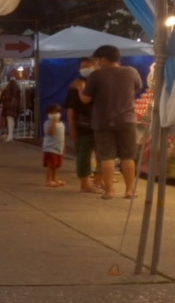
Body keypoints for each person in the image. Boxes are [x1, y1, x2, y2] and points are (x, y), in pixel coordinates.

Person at [80, 44, 143, 200]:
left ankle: (110, 191)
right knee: (128, 156)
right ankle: (129, 190)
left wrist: (79, 89)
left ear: (104, 58)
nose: (98, 62)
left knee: (106, 157)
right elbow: (137, 88)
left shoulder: (96, 76)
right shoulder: (131, 72)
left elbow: (86, 99)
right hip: (127, 120)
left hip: (103, 121)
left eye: (99, 59)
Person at [66, 57, 100, 193]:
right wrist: (72, 128)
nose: (84, 69)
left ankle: (98, 181)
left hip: (101, 125)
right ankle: (85, 183)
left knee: (103, 156)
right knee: (83, 155)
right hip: (83, 126)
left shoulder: (101, 84)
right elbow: (70, 108)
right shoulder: (76, 85)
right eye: (82, 67)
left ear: (96, 66)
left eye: (88, 66)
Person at [43, 104, 66, 188]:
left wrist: (63, 147)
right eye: (52, 113)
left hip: (59, 148)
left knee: (56, 165)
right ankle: (48, 180)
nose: (55, 114)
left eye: (57, 112)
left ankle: (54, 179)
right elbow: (50, 132)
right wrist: (53, 123)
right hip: (50, 148)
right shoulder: (47, 123)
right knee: (50, 165)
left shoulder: (61, 124)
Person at [0, 76, 21, 141]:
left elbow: (4, 97)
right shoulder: (16, 88)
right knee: (12, 120)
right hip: (14, 106)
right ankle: (10, 135)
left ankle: (10, 135)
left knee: (10, 120)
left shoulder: (8, 89)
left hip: (9, 106)